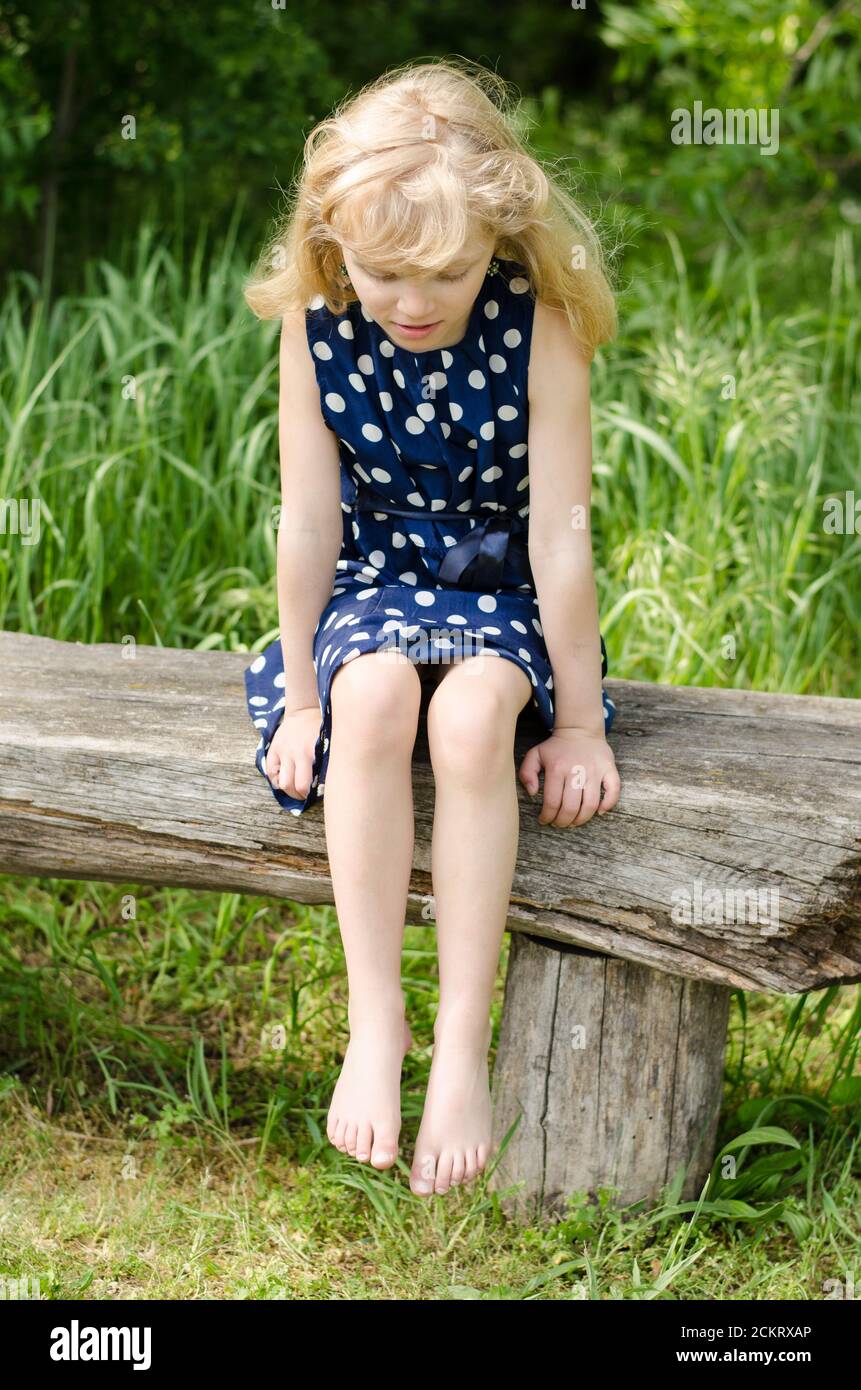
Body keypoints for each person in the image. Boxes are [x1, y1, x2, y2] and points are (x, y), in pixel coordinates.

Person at [242, 58, 621, 1197]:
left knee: (467, 730)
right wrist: (304, 695)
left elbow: (559, 540)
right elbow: (308, 521)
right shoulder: (317, 324)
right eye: (384, 273)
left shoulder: (538, 324)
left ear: (497, 239)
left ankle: (462, 1043)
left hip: (505, 594)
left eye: (446, 274)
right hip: (372, 586)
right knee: (370, 697)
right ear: (331, 245)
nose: (412, 302)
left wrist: (587, 725)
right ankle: (378, 1023)